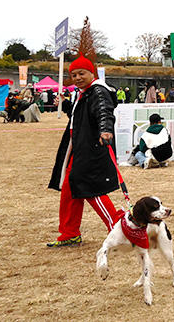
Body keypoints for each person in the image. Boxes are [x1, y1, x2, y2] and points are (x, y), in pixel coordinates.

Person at [46, 57, 121, 247]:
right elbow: (82, 115)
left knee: (90, 188)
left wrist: (105, 129)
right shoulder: (83, 93)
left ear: (92, 74)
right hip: (78, 145)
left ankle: (117, 227)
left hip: (91, 146)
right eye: (73, 75)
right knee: (70, 189)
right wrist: (66, 104)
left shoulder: (98, 91)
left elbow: (104, 111)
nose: (77, 77)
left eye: (81, 73)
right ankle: (69, 232)